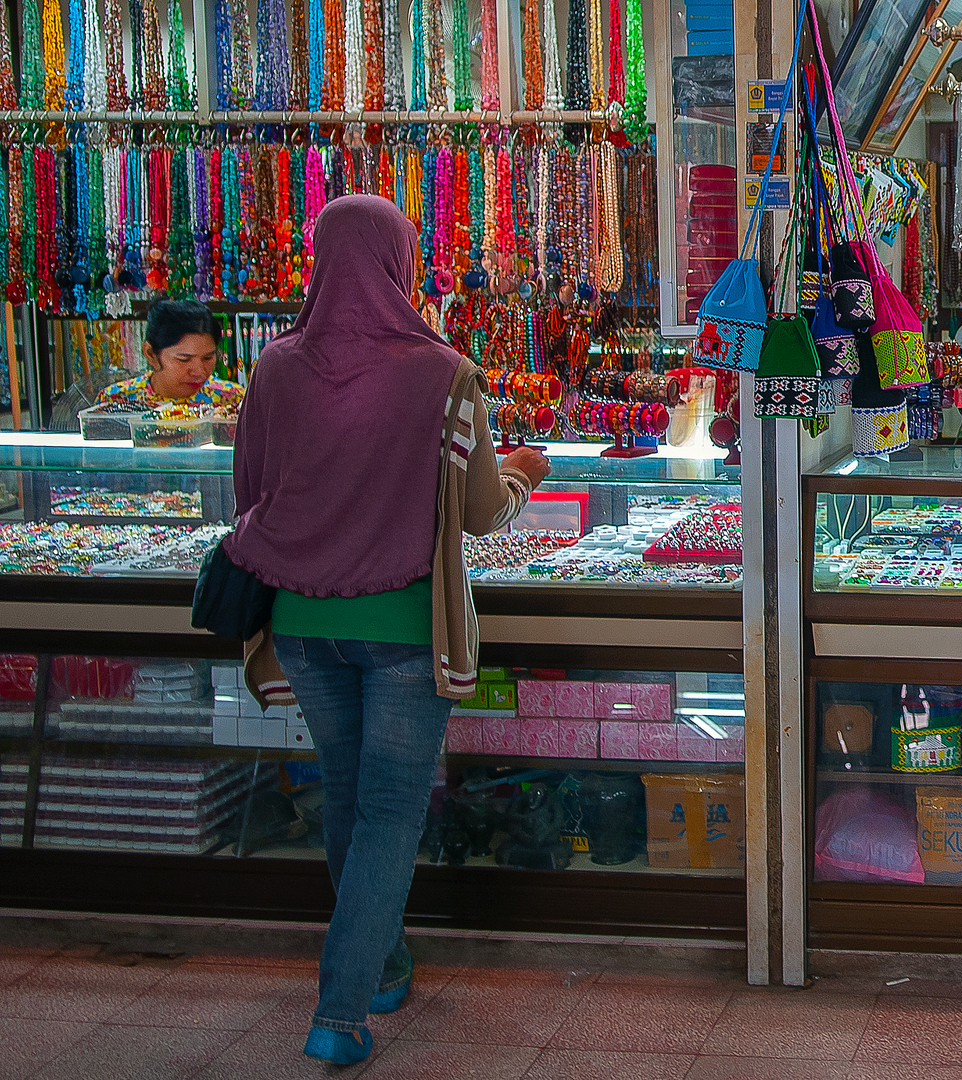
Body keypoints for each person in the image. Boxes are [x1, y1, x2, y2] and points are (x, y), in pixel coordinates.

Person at [224, 194, 550, 1066]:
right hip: (406, 626)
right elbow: (480, 512)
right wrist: (521, 472)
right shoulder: (443, 372)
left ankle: (383, 962)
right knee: (391, 809)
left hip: (299, 621)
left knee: (348, 795)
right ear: (401, 264)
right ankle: (341, 1009)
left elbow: (247, 492)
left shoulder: (275, 370)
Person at [93, 299, 245, 412]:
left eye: (208, 358)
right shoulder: (115, 400)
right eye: (184, 359)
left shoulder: (234, 400)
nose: (199, 371)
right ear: (151, 354)